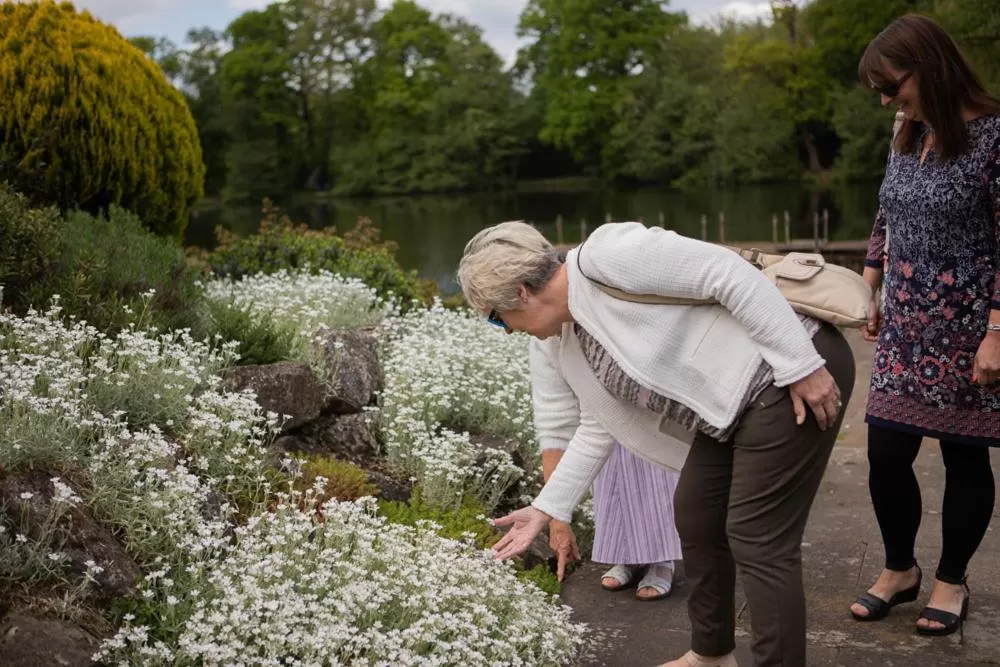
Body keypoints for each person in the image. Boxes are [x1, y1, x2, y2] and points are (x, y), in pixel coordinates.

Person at [458, 219, 855, 667]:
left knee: (758, 539)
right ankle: (712, 656)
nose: (506, 330)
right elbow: (596, 425)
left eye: (497, 318)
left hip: (791, 372)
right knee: (696, 514)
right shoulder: (565, 339)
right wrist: (548, 507)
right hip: (728, 410)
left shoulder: (609, 255)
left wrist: (801, 365)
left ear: (522, 293)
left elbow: (728, 274)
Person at [847, 14, 1000, 637]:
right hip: (906, 323)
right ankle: (900, 569)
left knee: (965, 456)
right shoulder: (906, 133)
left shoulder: (994, 136)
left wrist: (997, 331)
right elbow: (887, 211)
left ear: (929, 67)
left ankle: (951, 580)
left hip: (970, 326)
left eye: (892, 86)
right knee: (885, 451)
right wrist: (870, 281)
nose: (887, 100)